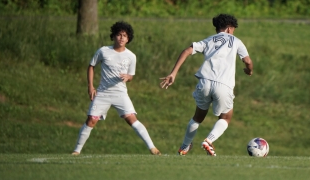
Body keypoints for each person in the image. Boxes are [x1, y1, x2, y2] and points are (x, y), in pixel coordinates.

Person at [160, 14, 253, 156]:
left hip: (205, 82)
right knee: (226, 117)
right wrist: (249, 70)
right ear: (229, 29)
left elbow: (187, 51)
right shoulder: (236, 41)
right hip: (224, 85)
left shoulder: (209, 40)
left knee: (198, 117)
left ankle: (184, 147)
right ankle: (208, 141)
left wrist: (173, 73)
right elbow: (247, 61)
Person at [72, 21, 161, 155]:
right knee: (91, 120)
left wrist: (128, 77)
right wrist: (90, 86)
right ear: (113, 36)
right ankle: (76, 151)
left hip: (120, 94)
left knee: (131, 119)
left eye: (124, 35)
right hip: (102, 93)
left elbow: (131, 76)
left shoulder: (131, 56)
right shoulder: (103, 51)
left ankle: (153, 148)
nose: (121, 38)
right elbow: (91, 66)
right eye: (119, 35)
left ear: (128, 38)